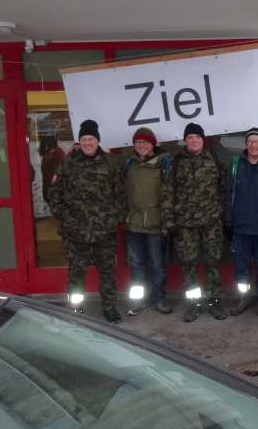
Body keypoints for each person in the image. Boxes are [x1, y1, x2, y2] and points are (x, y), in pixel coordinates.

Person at [48, 120, 126, 323]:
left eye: (91, 139)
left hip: (104, 231)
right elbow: (54, 195)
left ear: (98, 141)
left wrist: (112, 217)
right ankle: (76, 309)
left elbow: (121, 195)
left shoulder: (110, 163)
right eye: (84, 139)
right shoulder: (68, 163)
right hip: (76, 231)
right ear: (79, 141)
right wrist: (66, 219)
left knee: (107, 272)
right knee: (76, 273)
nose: (87, 143)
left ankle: (109, 307)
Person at [162, 122, 227, 323]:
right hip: (185, 224)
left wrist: (220, 212)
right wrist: (168, 220)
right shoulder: (176, 162)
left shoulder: (213, 159)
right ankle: (193, 303)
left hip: (211, 223)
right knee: (188, 265)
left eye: (197, 137)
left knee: (212, 263)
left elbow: (223, 188)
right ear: (185, 140)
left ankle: (214, 301)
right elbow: (168, 192)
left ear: (202, 139)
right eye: (190, 137)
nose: (193, 140)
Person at [223, 127, 258, 317]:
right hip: (241, 227)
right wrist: (228, 222)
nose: (254, 145)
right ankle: (244, 298)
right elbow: (228, 194)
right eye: (250, 141)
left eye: (257, 141)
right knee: (241, 267)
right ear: (246, 144)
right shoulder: (236, 164)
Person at [123, 126, 173, 316]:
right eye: (138, 142)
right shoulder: (129, 163)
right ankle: (138, 300)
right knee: (136, 264)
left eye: (145, 142)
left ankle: (159, 299)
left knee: (157, 265)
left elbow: (169, 193)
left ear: (153, 144)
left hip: (156, 224)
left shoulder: (164, 163)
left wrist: (166, 220)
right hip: (134, 224)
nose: (142, 145)